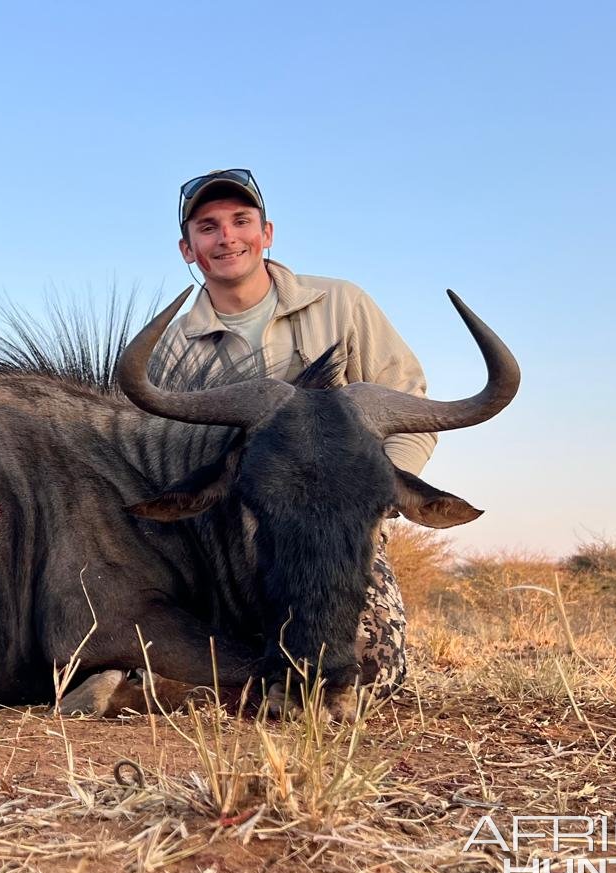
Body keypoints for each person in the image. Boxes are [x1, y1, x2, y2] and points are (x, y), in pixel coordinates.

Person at [156, 167, 434, 694]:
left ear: (267, 233)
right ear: (188, 249)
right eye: (208, 227)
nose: (227, 237)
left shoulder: (342, 302)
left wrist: (378, 497)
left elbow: (411, 403)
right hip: (231, 524)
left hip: (338, 524)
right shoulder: (172, 349)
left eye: (241, 221)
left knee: (370, 671)